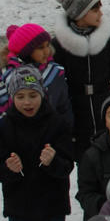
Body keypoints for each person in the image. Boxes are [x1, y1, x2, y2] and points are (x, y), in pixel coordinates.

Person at [51, 0, 110, 161]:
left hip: (104, 102)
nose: (101, 14)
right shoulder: (59, 44)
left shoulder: (108, 38)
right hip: (76, 108)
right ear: (79, 13)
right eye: (95, 10)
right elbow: (56, 83)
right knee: (84, 157)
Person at [0, 65, 74, 221]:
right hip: (19, 210)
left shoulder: (58, 124)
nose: (27, 102)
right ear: (13, 97)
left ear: (42, 94)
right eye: (20, 96)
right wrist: (9, 168)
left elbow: (67, 165)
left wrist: (53, 161)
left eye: (33, 95)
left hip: (52, 209)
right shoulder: (4, 126)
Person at [0, 23, 73, 128]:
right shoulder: (7, 75)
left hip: (50, 133)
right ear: (26, 51)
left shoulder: (55, 72)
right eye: (40, 48)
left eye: (48, 45)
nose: (47, 51)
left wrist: (66, 132)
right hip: (16, 135)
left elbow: (63, 106)